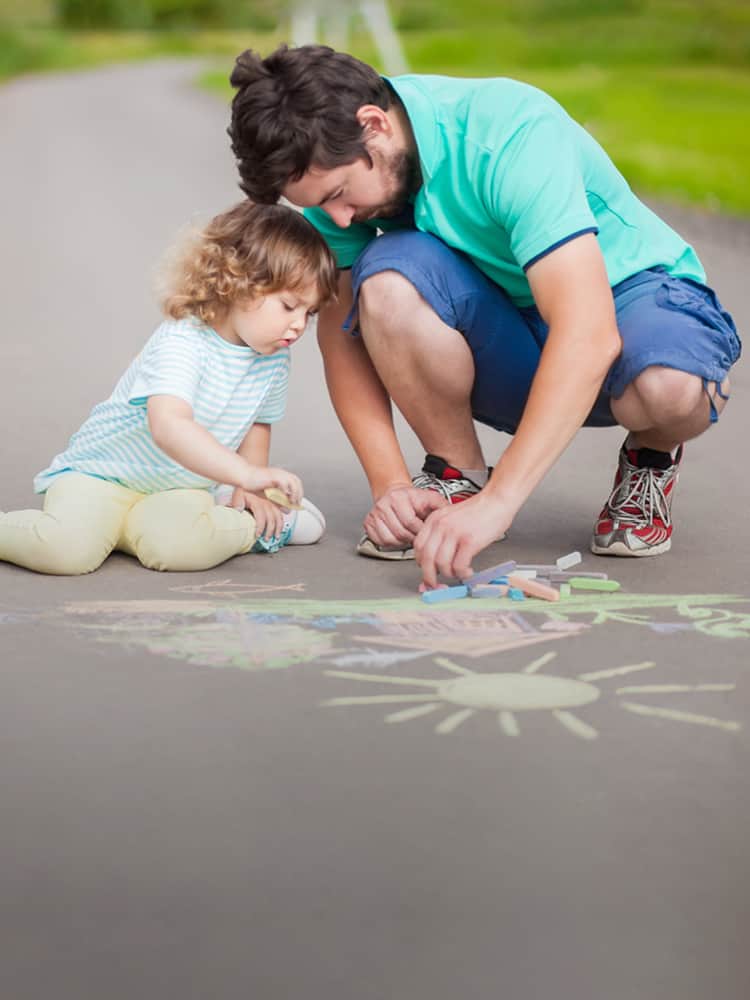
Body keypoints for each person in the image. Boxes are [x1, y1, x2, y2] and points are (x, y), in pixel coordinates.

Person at [227, 44, 741, 589]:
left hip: (626, 300)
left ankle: (650, 459)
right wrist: (391, 488)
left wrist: (502, 505)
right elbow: (341, 339)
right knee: (386, 285)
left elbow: (588, 335)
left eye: (337, 195)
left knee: (670, 387)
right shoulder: (339, 174)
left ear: (373, 125)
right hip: (516, 327)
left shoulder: (508, 134)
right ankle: (455, 476)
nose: (338, 217)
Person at [0, 201, 337, 575]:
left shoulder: (274, 358)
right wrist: (243, 474)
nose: (299, 326)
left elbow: (259, 420)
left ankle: (257, 522)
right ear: (237, 282)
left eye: (309, 313)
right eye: (289, 305)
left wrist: (252, 487)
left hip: (180, 487)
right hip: (102, 475)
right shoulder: (184, 339)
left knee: (178, 549)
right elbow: (169, 424)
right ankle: (249, 526)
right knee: (66, 551)